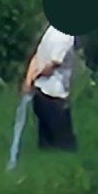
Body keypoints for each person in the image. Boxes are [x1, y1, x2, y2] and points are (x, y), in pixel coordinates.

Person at [20, 23, 80, 152]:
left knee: (46, 144)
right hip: (54, 96)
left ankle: (44, 166)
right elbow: (53, 64)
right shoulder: (66, 36)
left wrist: (29, 79)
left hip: (40, 94)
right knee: (65, 147)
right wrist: (36, 76)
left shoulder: (51, 30)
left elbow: (37, 56)